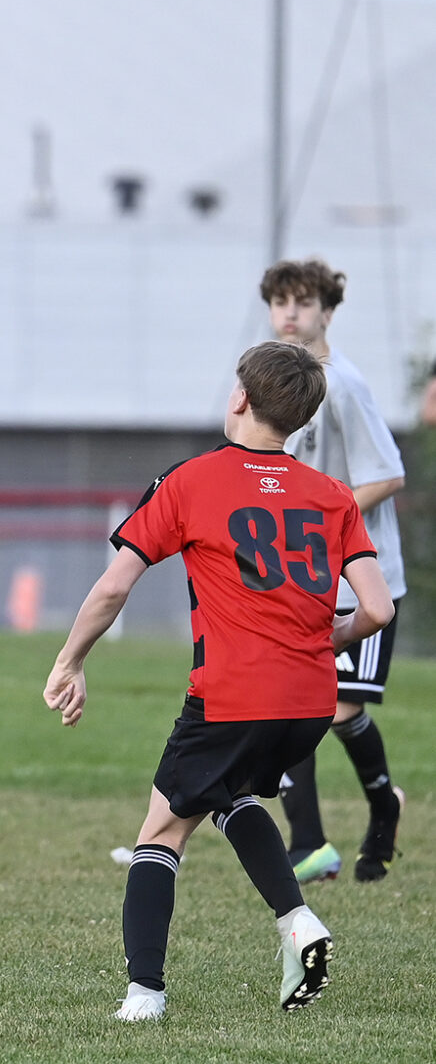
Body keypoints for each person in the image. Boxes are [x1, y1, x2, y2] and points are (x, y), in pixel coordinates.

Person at [43, 340, 393, 1022]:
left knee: (159, 834)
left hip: (233, 695)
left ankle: (144, 994)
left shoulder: (192, 480)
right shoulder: (332, 496)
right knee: (229, 794)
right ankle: (295, 920)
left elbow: (114, 587)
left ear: (240, 397)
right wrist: (329, 639)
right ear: (301, 420)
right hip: (309, 703)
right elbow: (377, 609)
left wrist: (70, 660)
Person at [262, 258, 407, 883]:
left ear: (327, 311)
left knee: (342, 712)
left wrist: (322, 520)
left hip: (366, 581)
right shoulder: (282, 383)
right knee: (290, 708)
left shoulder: (340, 383)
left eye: (303, 302)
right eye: (280, 302)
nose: (290, 313)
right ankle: (310, 846)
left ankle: (384, 809)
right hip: (309, 579)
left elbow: (387, 474)